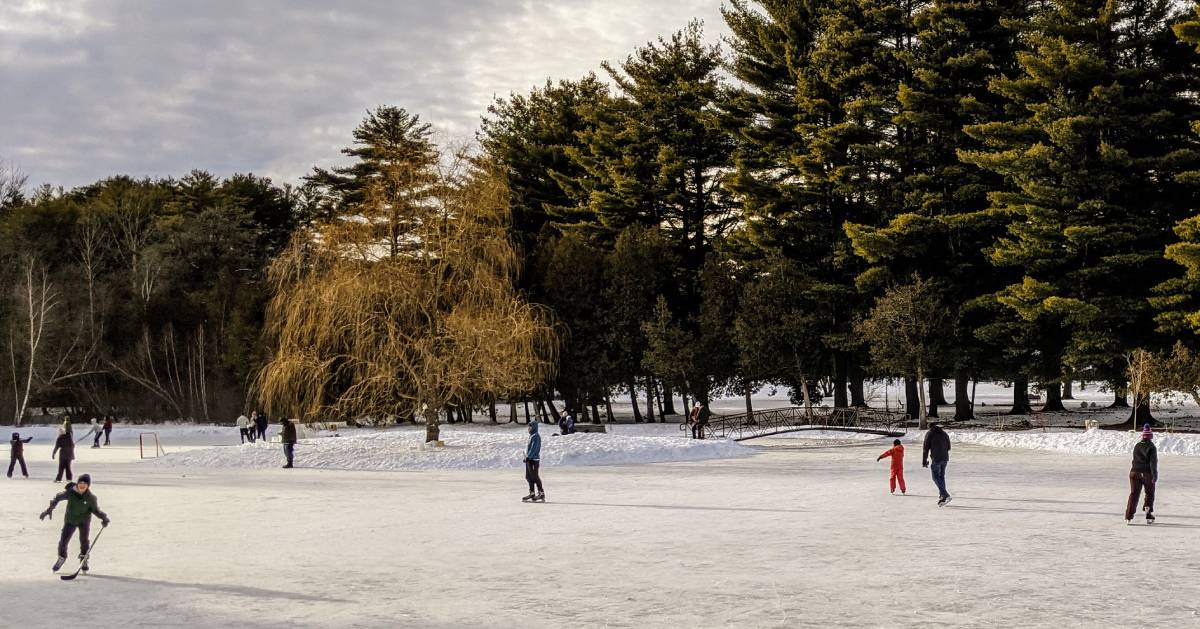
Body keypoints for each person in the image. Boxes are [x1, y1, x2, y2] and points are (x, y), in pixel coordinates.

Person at [39, 473, 109, 572]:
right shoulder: (70, 493)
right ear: (77, 483)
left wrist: (104, 518)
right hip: (70, 520)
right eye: (80, 483)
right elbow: (58, 498)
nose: (82, 485)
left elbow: (95, 510)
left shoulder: (90, 498)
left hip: (84, 521)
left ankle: (83, 559)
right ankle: (62, 557)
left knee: (84, 541)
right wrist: (49, 510)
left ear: (88, 485)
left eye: (85, 483)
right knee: (63, 541)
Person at [1125, 423, 1158, 524]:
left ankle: (1128, 517)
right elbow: (1153, 463)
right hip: (1146, 473)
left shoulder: (1137, 445)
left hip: (1134, 472)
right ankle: (1148, 515)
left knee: (1134, 494)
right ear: (1150, 436)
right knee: (1149, 493)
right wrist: (1155, 475)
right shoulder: (1152, 447)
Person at [922, 422, 952, 506]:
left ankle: (945, 494)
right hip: (945, 458)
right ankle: (942, 495)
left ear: (930, 428)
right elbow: (949, 447)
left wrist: (924, 461)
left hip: (936, 458)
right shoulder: (944, 433)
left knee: (935, 477)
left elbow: (925, 449)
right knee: (941, 477)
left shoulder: (929, 434)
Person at [522, 420, 544, 502]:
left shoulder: (536, 436)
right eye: (528, 426)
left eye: (530, 426)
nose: (528, 428)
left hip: (534, 460)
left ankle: (541, 493)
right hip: (530, 459)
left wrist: (529, 456)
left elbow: (534, 448)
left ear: (533, 427)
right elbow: (529, 449)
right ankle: (532, 493)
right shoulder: (531, 436)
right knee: (528, 477)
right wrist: (526, 457)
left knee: (535, 477)